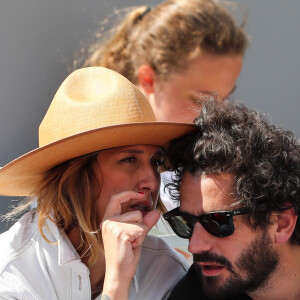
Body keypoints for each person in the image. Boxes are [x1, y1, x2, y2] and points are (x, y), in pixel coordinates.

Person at [0, 67, 195, 300]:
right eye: (129, 159)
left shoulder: (165, 270)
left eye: (156, 161)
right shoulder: (13, 273)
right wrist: (115, 287)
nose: (152, 182)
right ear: (75, 176)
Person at [78, 0, 249, 214]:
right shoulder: (85, 156)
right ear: (148, 79)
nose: (218, 115)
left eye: (226, 98)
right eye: (201, 100)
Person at [163, 99, 300, 300]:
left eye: (218, 221)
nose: (194, 245)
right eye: (187, 223)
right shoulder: (192, 294)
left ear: (281, 223)